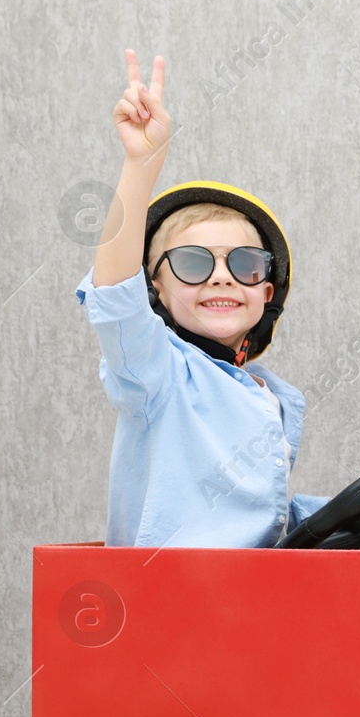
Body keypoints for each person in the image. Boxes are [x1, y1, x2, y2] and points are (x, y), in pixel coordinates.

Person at [75, 49, 329, 548]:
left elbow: (253, 525)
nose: (222, 279)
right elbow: (114, 293)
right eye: (193, 263)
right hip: (166, 607)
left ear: (266, 291)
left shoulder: (267, 395)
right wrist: (139, 166)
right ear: (155, 291)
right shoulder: (155, 371)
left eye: (244, 265)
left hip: (240, 607)